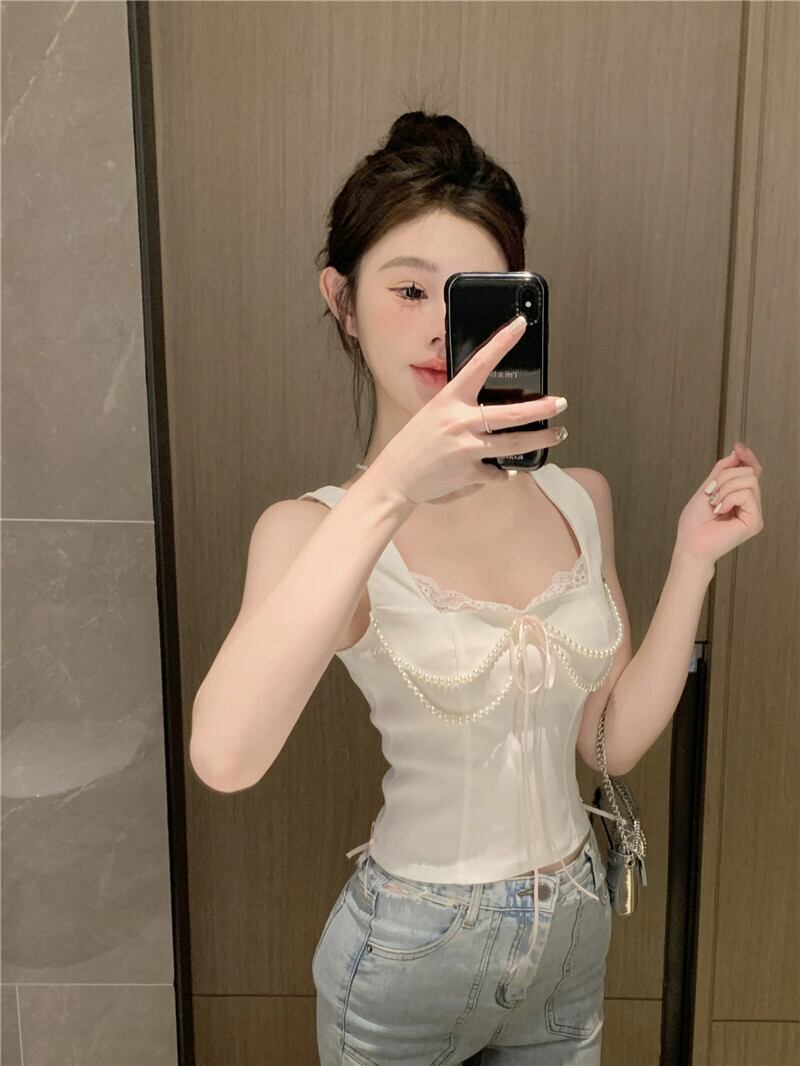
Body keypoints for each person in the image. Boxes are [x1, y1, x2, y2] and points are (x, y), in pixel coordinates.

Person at [191, 109, 762, 1064]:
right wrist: (392, 488)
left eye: (469, 298)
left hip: (574, 928)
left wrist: (694, 559)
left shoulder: (578, 498)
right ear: (342, 299)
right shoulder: (312, 530)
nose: (436, 328)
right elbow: (225, 758)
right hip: (408, 949)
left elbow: (608, 740)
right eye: (408, 289)